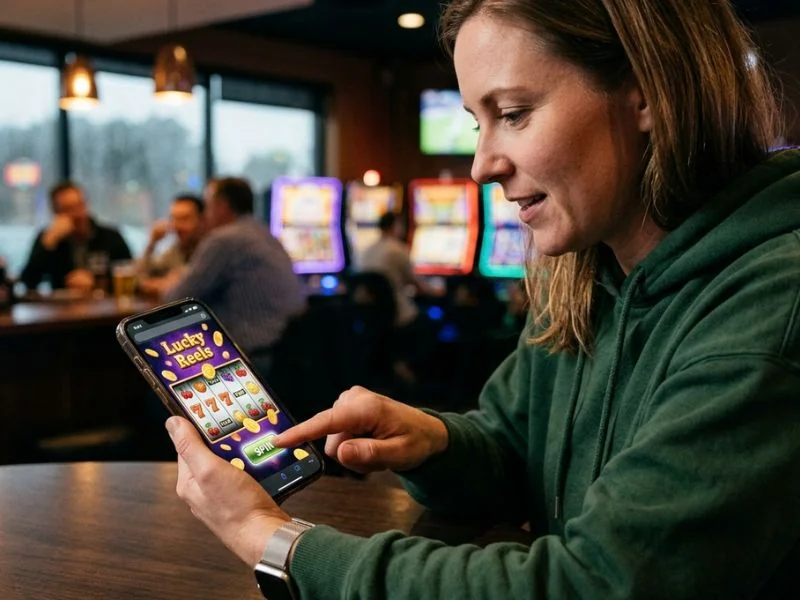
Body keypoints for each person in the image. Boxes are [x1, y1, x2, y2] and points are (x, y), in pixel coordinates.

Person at [165, 0, 800, 598]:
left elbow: (594, 584)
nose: (480, 165)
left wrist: (270, 539)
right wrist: (438, 441)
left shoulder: (773, 301)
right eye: (478, 122)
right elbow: (514, 449)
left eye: (514, 113)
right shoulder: (583, 275)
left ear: (646, 94)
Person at [162, 177, 306, 370]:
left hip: (254, 357)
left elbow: (176, 299)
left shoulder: (223, 240)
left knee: (166, 363)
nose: (205, 214)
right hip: (289, 352)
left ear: (221, 206)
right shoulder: (263, 233)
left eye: (208, 205)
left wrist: (169, 284)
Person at [20, 181, 131, 292]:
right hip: (62, 302)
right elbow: (29, 282)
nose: (78, 214)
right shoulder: (49, 238)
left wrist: (95, 282)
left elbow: (130, 274)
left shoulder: (110, 237)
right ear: (56, 213)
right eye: (69, 209)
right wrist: (47, 245)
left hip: (102, 301)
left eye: (80, 205)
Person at [138, 193, 205, 295]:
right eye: (174, 219)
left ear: (202, 220)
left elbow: (192, 286)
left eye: (185, 219)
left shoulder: (212, 249)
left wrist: (169, 284)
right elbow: (138, 279)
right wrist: (152, 243)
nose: (178, 226)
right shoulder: (175, 250)